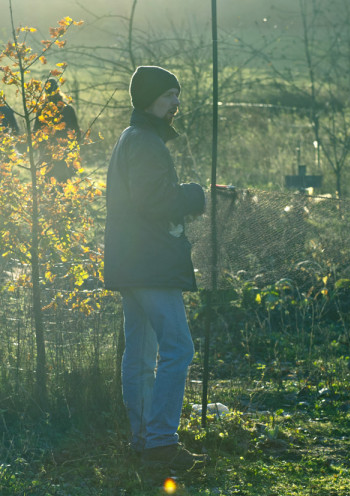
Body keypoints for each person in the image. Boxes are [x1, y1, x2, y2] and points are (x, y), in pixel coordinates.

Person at [104, 66, 207, 471]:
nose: (176, 103)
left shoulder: (132, 138)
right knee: (178, 347)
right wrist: (196, 194)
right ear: (147, 99)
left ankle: (144, 440)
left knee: (141, 352)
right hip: (149, 263)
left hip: (131, 261)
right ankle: (161, 442)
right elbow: (155, 200)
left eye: (177, 95)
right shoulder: (145, 142)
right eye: (168, 96)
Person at [34, 78, 81, 182]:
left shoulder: (41, 110)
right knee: (64, 184)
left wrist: (40, 147)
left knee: (48, 186)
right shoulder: (68, 109)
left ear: (45, 92)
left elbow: (35, 133)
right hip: (64, 152)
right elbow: (76, 133)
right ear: (58, 90)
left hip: (46, 153)